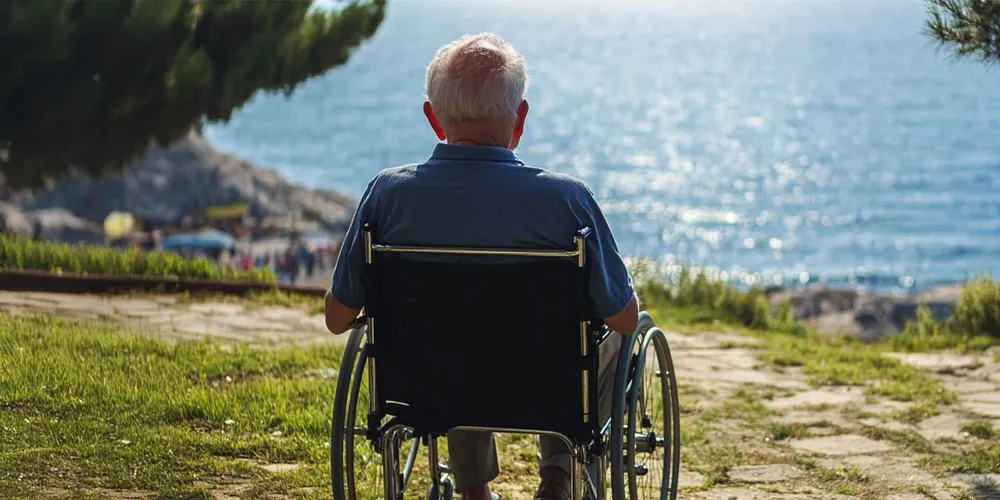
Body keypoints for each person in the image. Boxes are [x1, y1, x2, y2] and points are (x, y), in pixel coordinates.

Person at [325, 33, 638, 500]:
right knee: (600, 330)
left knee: (457, 334)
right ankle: (560, 475)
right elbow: (625, 318)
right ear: (521, 118)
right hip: (543, 379)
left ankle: (473, 489)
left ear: (433, 118)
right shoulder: (566, 200)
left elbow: (337, 319)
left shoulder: (386, 195)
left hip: (434, 384)